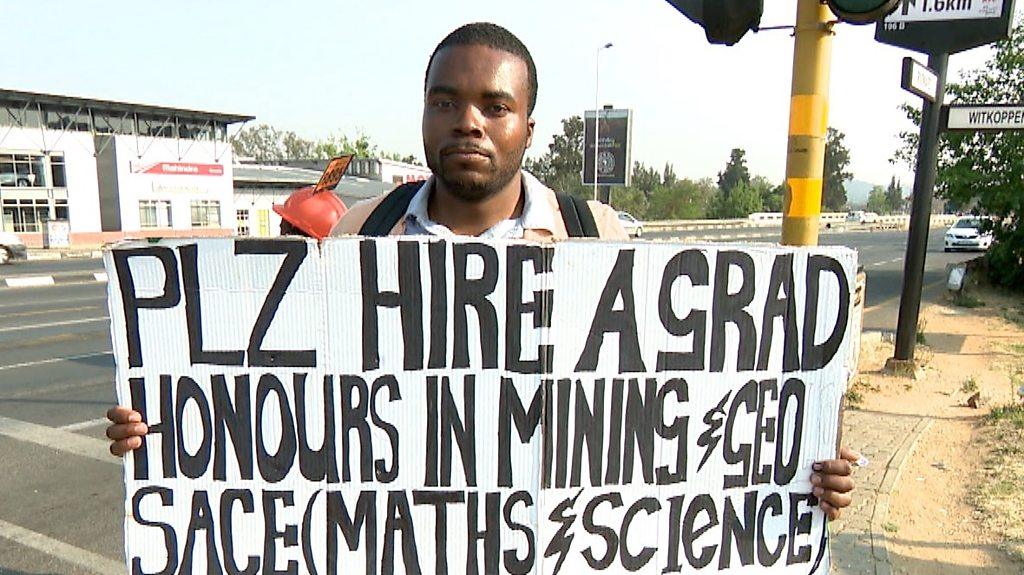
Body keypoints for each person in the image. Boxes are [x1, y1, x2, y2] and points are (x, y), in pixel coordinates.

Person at [107, 21, 857, 520]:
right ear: (425, 117)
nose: (469, 121)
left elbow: (689, 411)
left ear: (527, 125)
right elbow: (273, 394)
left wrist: (800, 471)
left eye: (495, 106)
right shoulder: (355, 240)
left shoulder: (601, 239)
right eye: (447, 101)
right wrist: (165, 426)